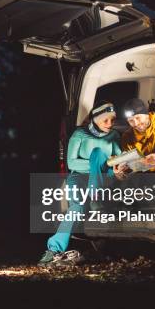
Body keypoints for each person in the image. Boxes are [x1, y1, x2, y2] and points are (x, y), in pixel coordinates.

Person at [38, 101, 127, 267]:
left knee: (99, 154)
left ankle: (96, 201)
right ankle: (53, 249)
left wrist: (121, 167)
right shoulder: (79, 134)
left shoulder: (114, 136)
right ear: (94, 119)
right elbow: (71, 163)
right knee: (76, 207)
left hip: (103, 178)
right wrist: (100, 165)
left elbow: (119, 159)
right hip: (78, 178)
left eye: (112, 120)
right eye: (105, 120)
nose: (110, 124)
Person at [121, 98, 155, 171]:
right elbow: (130, 165)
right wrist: (123, 172)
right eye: (131, 120)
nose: (135, 124)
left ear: (146, 115)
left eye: (138, 118)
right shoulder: (127, 137)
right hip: (142, 176)